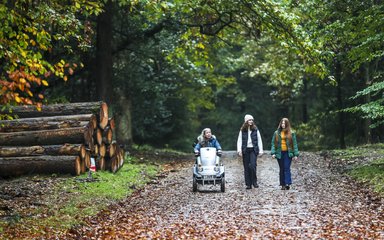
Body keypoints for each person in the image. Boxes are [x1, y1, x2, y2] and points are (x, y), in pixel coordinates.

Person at [270, 117, 299, 190]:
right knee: (282, 168)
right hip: (279, 153)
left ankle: (287, 183)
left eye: (284, 123)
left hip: (288, 153)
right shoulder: (276, 133)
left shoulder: (291, 133)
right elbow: (273, 143)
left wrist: (295, 154)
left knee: (286, 167)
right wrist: (273, 153)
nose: (283, 125)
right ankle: (282, 184)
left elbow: (294, 144)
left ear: (287, 124)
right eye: (282, 123)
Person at [237, 114, 263, 189]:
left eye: (252, 120)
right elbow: (239, 141)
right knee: (246, 167)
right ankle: (248, 184)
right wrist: (239, 150)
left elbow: (259, 140)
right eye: (249, 120)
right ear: (246, 121)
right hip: (245, 150)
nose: (251, 121)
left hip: (253, 150)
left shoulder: (255, 129)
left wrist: (261, 150)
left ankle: (254, 182)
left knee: (253, 165)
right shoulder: (242, 130)